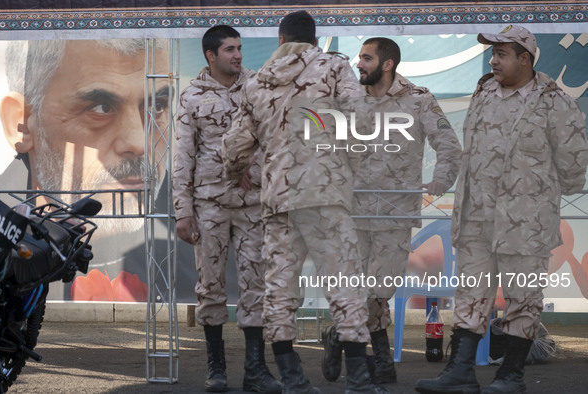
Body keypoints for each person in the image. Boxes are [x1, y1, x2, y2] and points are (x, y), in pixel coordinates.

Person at [416, 25, 588, 394]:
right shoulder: (484, 91)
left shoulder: (554, 101)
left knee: (522, 299)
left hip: (524, 225)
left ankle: (510, 376)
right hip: (477, 220)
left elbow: (574, 164)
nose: (493, 60)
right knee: (470, 294)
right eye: (492, 54)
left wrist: (539, 191)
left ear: (525, 59)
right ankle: (459, 373)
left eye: (502, 54)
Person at [222, 11, 387, 394]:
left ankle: (293, 380)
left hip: (278, 200)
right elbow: (361, 121)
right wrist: (345, 165)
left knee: (279, 288)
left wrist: (238, 172)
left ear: (280, 41)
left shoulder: (257, 82)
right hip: (326, 197)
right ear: (314, 41)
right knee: (344, 284)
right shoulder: (332, 67)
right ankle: (359, 382)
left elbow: (232, 147)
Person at [320, 37, 462, 386]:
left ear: (387, 64)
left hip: (394, 213)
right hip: (349, 212)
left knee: (380, 287)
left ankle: (338, 334)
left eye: (366, 58)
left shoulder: (418, 99)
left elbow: (449, 145)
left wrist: (440, 180)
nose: (359, 63)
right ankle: (382, 361)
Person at [172, 26, 280, 393]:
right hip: (210, 206)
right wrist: (182, 211)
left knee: (255, 286)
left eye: (239, 48)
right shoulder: (191, 97)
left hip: (253, 205)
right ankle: (216, 368)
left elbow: (275, 138)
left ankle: (255, 370)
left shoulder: (258, 87)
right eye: (229, 50)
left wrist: (255, 165)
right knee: (211, 287)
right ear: (211, 56)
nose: (237, 55)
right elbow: (183, 157)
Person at [0, 39, 169, 236]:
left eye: (157, 106)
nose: (140, 144)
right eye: (101, 108)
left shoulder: (188, 233)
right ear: (21, 124)